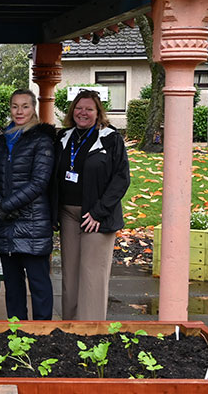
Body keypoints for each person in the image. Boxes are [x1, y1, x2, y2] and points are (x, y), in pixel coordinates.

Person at [52, 89, 131, 320]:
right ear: (72, 111)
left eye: (89, 109)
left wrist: (98, 212)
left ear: (98, 113)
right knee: (71, 274)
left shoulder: (111, 139)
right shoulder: (64, 138)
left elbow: (121, 179)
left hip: (97, 216)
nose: (82, 113)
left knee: (92, 275)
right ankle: (70, 327)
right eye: (78, 108)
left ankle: (91, 331)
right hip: (68, 214)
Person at [0, 88, 57, 320]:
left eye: (25, 106)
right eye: (15, 106)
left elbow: (39, 183)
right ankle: (16, 330)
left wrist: (4, 206)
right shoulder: (2, 140)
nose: (19, 111)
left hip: (33, 223)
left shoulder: (42, 139)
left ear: (33, 108)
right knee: (13, 287)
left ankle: (43, 332)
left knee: (39, 285)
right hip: (5, 225)